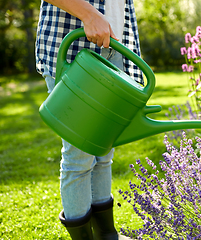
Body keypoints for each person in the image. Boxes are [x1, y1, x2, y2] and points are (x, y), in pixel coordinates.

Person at [35, 0, 143, 239]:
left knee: (103, 153)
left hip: (114, 47)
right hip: (73, 47)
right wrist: (89, 14)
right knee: (79, 156)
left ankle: (107, 234)